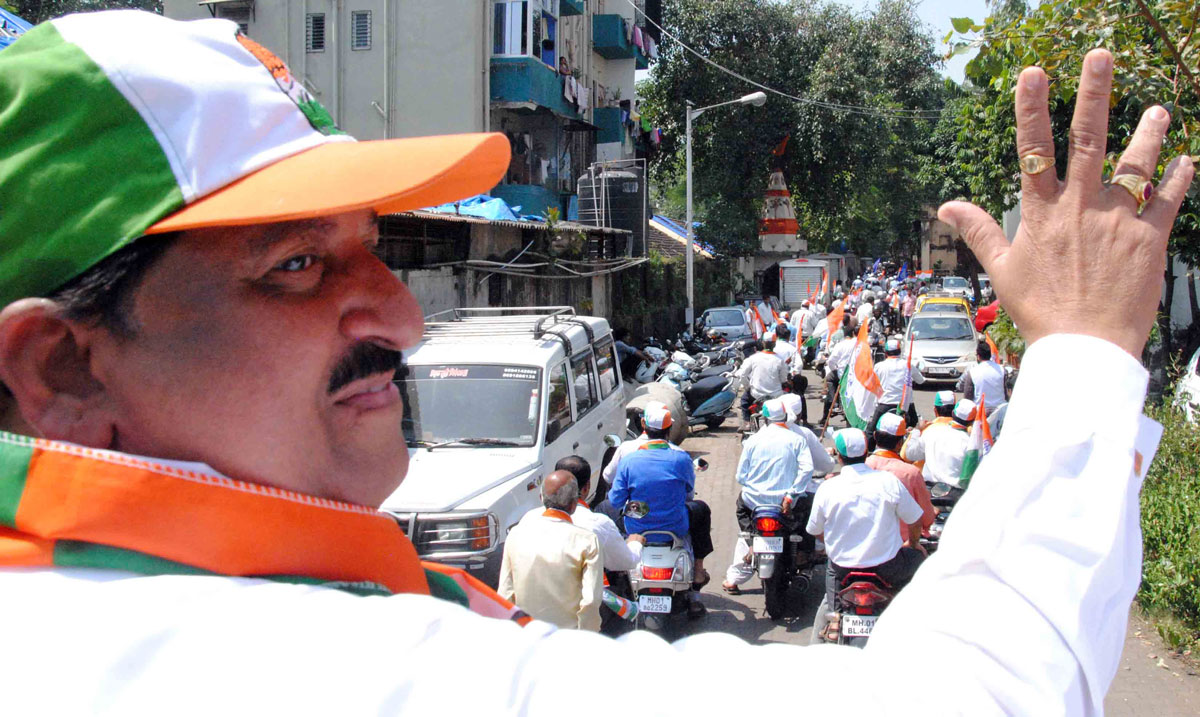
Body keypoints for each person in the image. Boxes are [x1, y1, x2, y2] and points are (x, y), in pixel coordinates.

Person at [0, 19, 1191, 712]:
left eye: (376, 254)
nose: (401, 323)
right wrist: (1085, 355)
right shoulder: (268, 666)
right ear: (60, 366)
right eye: (297, 270)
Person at [807, 429, 926, 630]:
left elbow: (815, 530)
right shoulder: (888, 482)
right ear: (867, 452)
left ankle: (834, 621)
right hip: (888, 568)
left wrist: (833, 543)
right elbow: (915, 520)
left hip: (842, 569)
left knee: (830, 577)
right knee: (920, 560)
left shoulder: (827, 488)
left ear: (838, 455)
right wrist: (913, 543)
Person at [607, 404, 710, 617]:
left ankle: (610, 574)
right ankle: (698, 570)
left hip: (637, 522)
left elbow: (616, 500)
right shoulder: (681, 458)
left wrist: (636, 504)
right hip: (675, 523)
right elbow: (689, 493)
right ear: (669, 429)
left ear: (643, 425)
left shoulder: (629, 459)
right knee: (701, 509)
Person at [722, 398, 815, 594]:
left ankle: (751, 545)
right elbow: (807, 469)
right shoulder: (797, 439)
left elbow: (741, 476)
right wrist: (791, 494)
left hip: (754, 503)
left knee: (742, 511)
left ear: (765, 419)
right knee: (809, 509)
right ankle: (803, 555)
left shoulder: (753, 441)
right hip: (786, 504)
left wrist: (757, 487)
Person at [500, 471, 604, 631]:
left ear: (541, 499)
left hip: (527, 634)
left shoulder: (516, 534)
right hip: (567, 638)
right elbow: (590, 601)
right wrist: (587, 637)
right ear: (574, 504)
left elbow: (506, 594)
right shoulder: (587, 540)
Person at [523, 456, 641, 574]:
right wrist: (635, 543)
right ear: (586, 488)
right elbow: (626, 562)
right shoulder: (598, 524)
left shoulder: (529, 519)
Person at [866, 414, 936, 547]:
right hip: (901, 546)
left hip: (866, 544)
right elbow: (926, 519)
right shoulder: (910, 473)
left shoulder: (863, 467)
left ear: (875, 436)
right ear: (899, 444)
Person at [865, 338, 925, 448]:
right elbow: (920, 380)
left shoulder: (879, 366)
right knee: (915, 428)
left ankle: (868, 455)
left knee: (870, 431)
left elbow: (871, 383)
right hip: (906, 406)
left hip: (885, 404)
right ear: (899, 351)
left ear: (885, 352)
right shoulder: (907, 365)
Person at [735, 331, 787, 429]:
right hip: (776, 395)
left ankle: (747, 423)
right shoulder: (780, 360)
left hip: (756, 394)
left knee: (744, 401)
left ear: (763, 343)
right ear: (774, 344)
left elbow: (741, 375)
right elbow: (783, 379)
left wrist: (747, 387)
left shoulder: (753, 358)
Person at [921, 399, 976, 487]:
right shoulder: (971, 443)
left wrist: (916, 431)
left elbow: (909, 455)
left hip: (929, 488)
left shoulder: (931, 430)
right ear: (972, 422)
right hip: (955, 493)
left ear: (952, 414)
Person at [780, 393, 837, 476]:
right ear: (799, 416)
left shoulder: (761, 434)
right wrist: (827, 455)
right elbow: (825, 466)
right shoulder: (804, 433)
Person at [820, 318, 858, 424]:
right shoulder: (859, 344)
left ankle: (834, 402)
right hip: (855, 375)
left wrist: (834, 370)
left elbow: (831, 361)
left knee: (829, 379)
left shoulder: (840, 344)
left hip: (842, 373)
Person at [958, 341, 1008, 414]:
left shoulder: (972, 372)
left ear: (978, 356)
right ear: (990, 355)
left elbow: (968, 398)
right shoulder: (1002, 370)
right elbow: (1007, 393)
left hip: (981, 414)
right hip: (1001, 411)